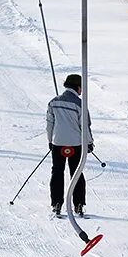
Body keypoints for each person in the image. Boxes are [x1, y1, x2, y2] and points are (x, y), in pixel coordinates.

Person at [46, 74, 93, 217]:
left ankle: (57, 203)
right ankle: (78, 204)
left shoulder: (53, 102)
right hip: (76, 144)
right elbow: (85, 126)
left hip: (58, 143)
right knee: (76, 171)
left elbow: (50, 125)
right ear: (78, 87)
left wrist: (50, 140)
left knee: (57, 172)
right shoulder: (80, 105)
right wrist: (89, 143)